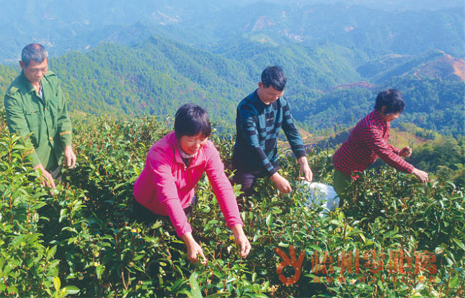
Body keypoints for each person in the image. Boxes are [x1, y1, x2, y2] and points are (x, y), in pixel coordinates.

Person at [133, 103, 251, 264]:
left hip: (183, 204)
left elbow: (222, 186)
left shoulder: (207, 150)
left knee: (177, 255)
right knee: (146, 255)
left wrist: (237, 229)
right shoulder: (160, 153)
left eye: (202, 139)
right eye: (191, 139)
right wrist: (188, 238)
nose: (197, 146)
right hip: (148, 206)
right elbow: (169, 197)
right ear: (178, 134)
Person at [332, 89, 429, 199]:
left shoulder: (382, 121)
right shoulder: (370, 127)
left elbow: (382, 145)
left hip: (358, 168)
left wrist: (398, 152)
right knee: (345, 201)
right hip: (346, 168)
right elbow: (384, 153)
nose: (396, 116)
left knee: (355, 198)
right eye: (395, 113)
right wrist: (413, 170)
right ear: (384, 109)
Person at [232, 66, 313, 196]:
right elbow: (254, 146)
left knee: (273, 204)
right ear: (260, 85)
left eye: (278, 95)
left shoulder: (281, 102)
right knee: (243, 205)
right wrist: (275, 177)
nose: (275, 98)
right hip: (246, 167)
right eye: (271, 94)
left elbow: (292, 131)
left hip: (271, 162)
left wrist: (303, 162)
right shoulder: (246, 108)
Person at [4, 43, 75, 188]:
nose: (39, 74)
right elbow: (21, 137)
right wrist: (37, 167)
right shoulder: (14, 96)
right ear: (21, 65)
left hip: (55, 159)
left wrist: (67, 146)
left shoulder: (51, 81)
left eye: (43, 69)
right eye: (34, 70)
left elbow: (62, 115)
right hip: (33, 168)